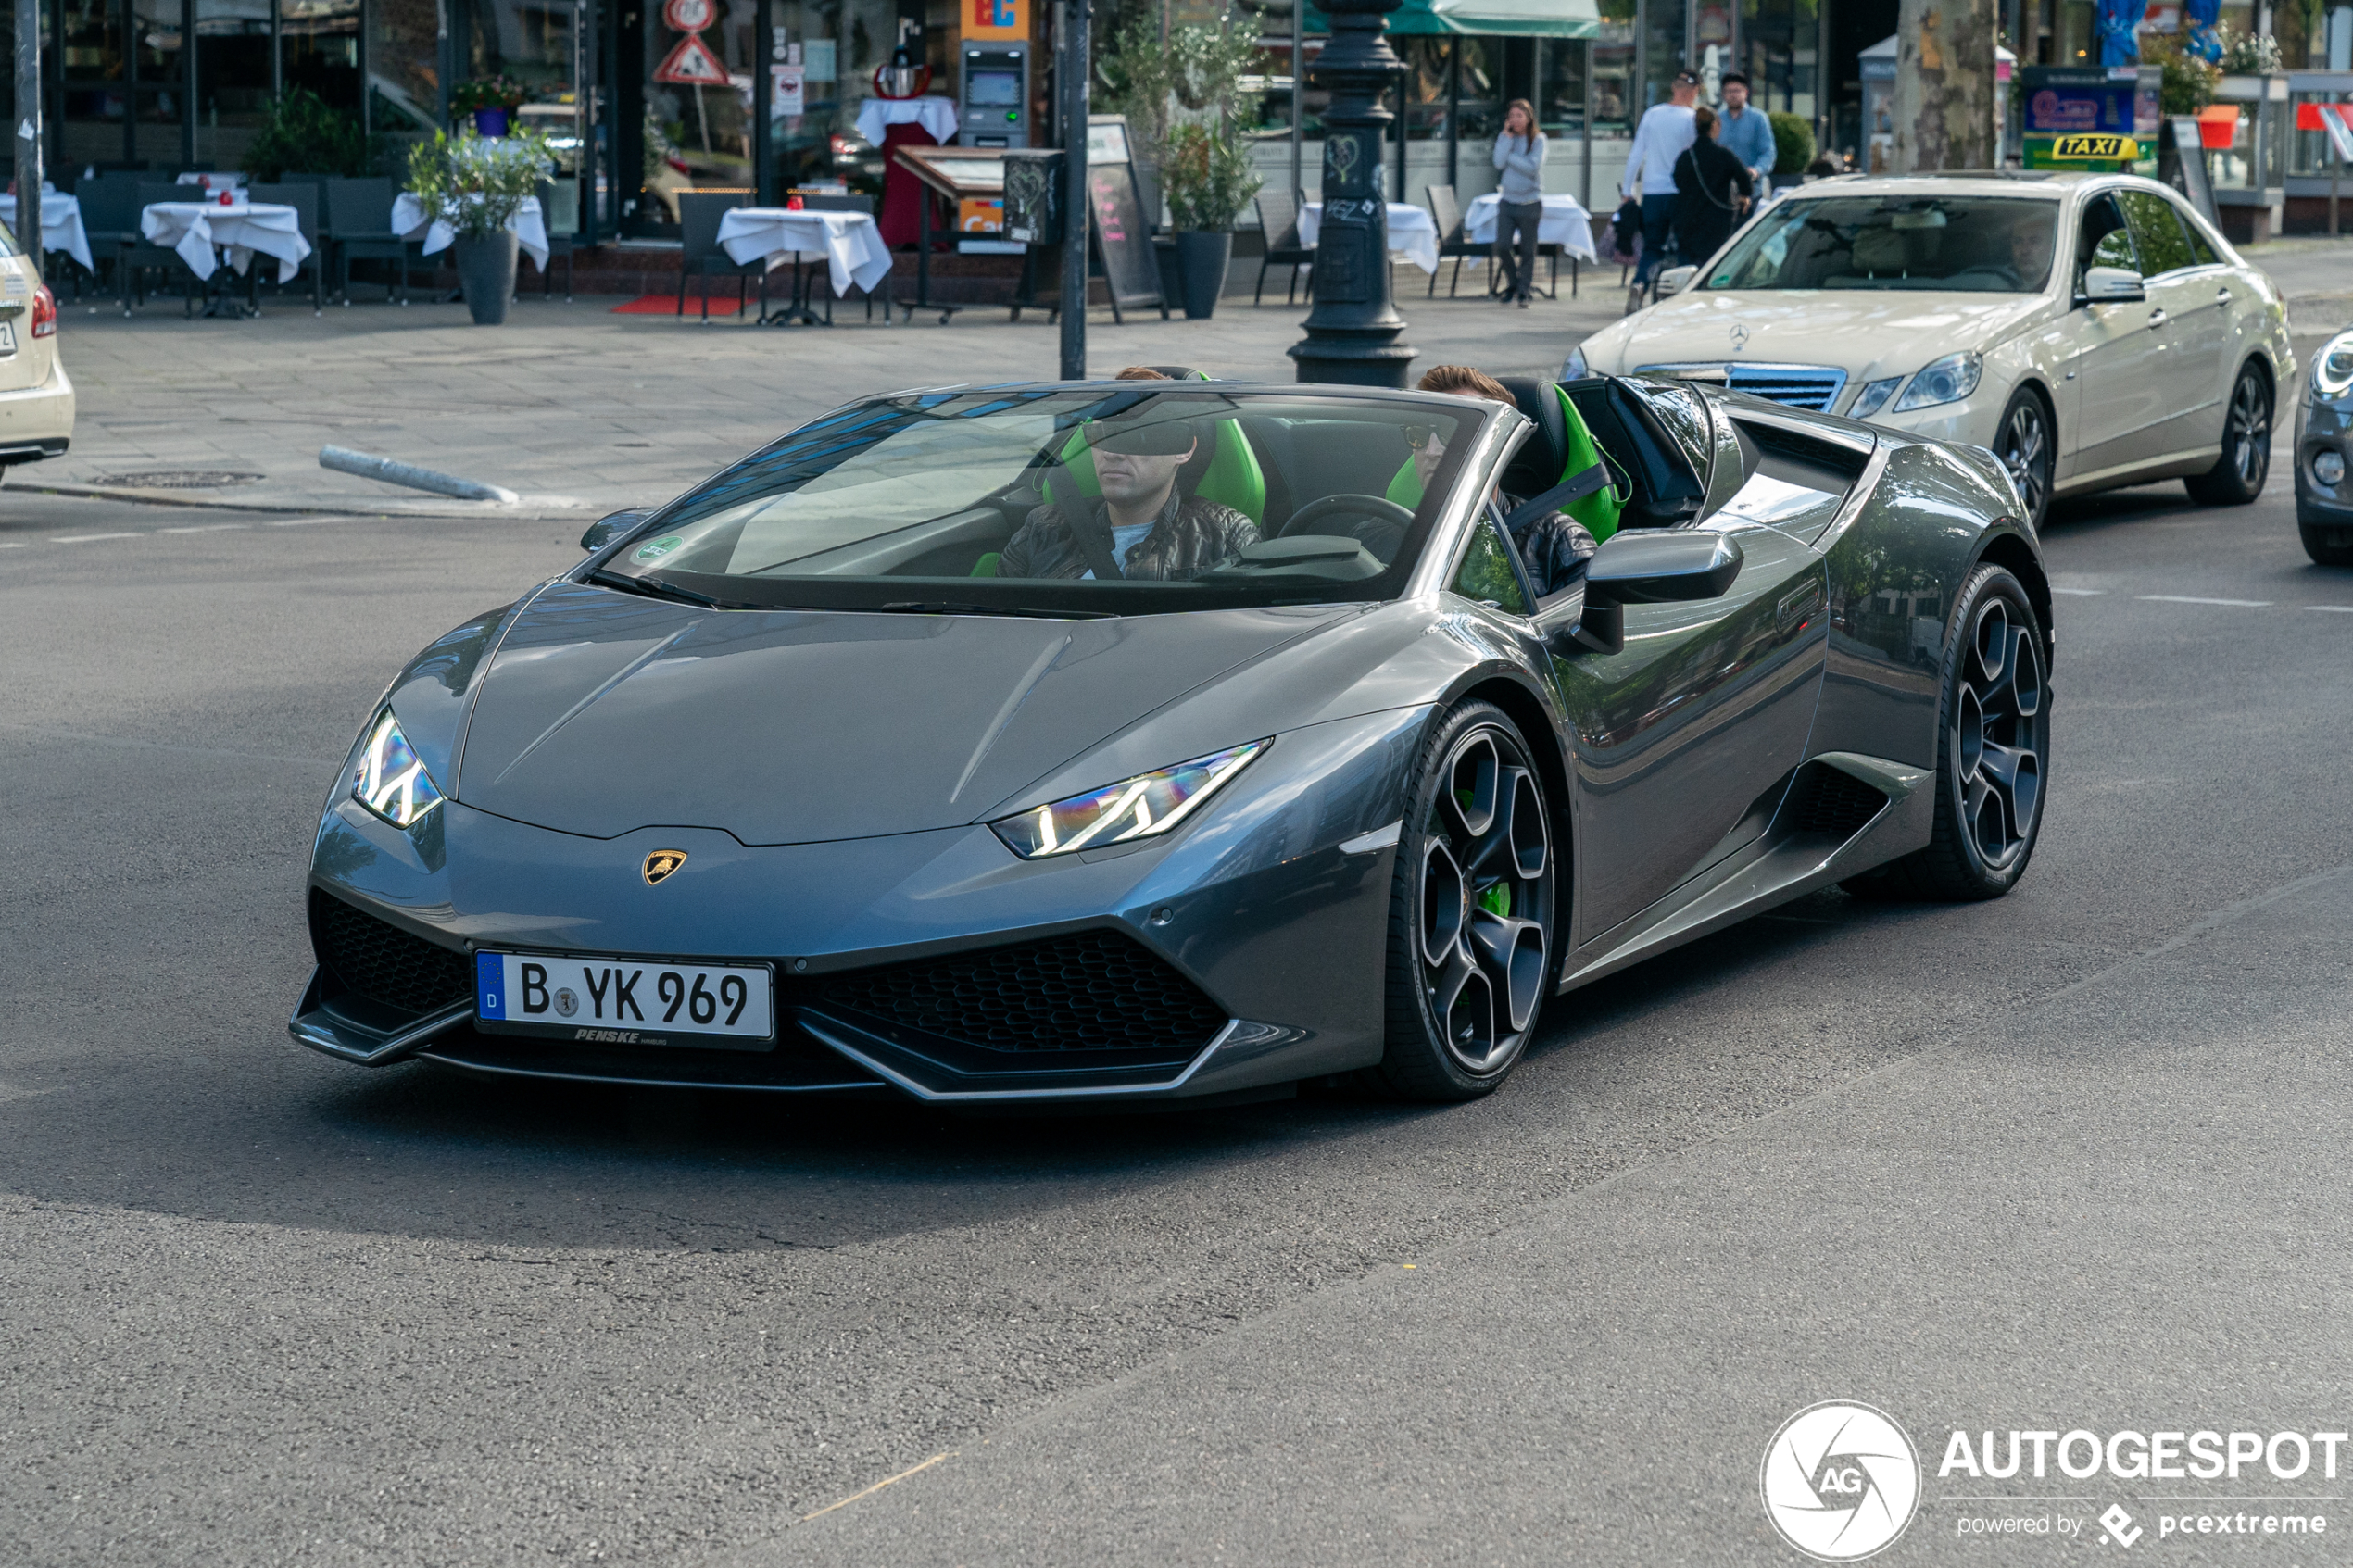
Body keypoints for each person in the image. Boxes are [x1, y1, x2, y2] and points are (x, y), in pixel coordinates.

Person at [997, 385, 1258, 581]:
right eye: (1102, 435)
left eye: (1135, 437)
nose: (1112, 453)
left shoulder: (1227, 538)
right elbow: (995, 619)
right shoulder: (1044, 527)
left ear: (1183, 449)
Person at [1414, 366, 1597, 598]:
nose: (1431, 451)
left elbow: (1589, 628)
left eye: (1451, 432)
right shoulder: (1379, 532)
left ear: (1500, 449)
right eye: (1418, 435)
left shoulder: (1558, 542)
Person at [1619, 69, 1701, 314]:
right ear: (1695, 91)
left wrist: (1628, 190)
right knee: (1685, 246)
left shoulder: (1652, 115)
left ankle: (1639, 284)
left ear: (1674, 89)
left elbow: (1636, 156)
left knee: (1653, 246)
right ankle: (1681, 295)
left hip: (1653, 192)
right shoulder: (1693, 119)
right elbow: (1697, 158)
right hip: (1681, 192)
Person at [1672, 106, 1755, 273]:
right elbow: (1746, 182)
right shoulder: (1724, 155)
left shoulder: (1685, 156)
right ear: (1715, 126)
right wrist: (1743, 197)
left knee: (1686, 269)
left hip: (1687, 221)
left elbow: (1677, 181)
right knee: (1713, 269)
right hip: (1717, 223)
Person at [1491, 99, 1546, 309]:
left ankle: (1524, 291)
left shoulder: (1538, 140)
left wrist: (1510, 157)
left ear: (1529, 118)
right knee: (1502, 245)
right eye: (1511, 116)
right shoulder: (1506, 138)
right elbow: (1497, 162)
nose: (1515, 120)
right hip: (1508, 201)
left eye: (1519, 116)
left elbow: (1532, 167)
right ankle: (1513, 283)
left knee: (1527, 249)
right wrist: (1505, 140)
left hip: (1530, 202)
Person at [1718, 73, 1776, 200]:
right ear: (1723, 94)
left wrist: (1757, 170)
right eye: (1729, 91)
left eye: (1737, 91)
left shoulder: (1758, 119)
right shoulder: (1717, 119)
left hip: (1752, 190)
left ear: (1746, 92)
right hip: (1722, 191)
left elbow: (1768, 152)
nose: (1733, 95)